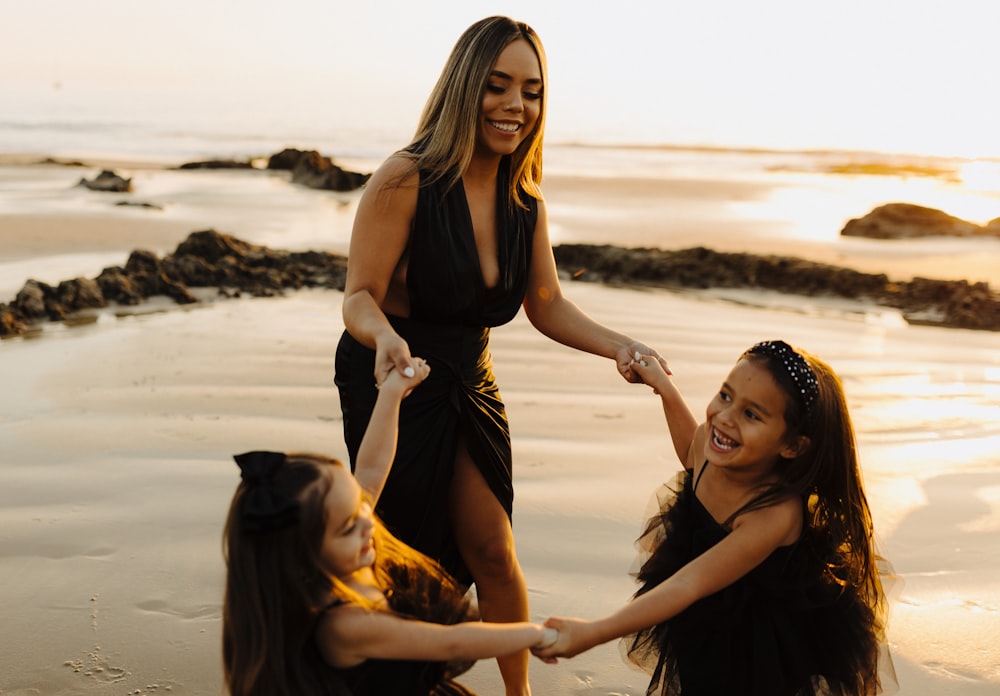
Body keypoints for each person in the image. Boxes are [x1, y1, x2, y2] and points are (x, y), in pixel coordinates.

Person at [334, 15, 666, 696]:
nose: (516, 106)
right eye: (498, 86)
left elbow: (545, 304)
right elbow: (358, 297)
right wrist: (387, 339)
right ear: (465, 88)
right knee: (399, 551)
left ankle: (518, 694)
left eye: (532, 92)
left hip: (470, 379)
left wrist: (621, 346)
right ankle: (397, 682)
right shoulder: (406, 180)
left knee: (493, 548)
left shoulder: (525, 197)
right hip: (395, 373)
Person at [533, 340, 896, 695]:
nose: (725, 417)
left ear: (792, 446)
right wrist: (664, 386)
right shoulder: (712, 439)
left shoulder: (773, 513)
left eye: (751, 414)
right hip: (701, 613)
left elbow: (687, 583)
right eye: (725, 395)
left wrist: (595, 631)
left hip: (757, 637)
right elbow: (692, 454)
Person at [222, 359, 559, 696]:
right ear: (302, 555)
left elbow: (371, 467)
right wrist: (536, 635)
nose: (368, 523)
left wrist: (393, 393)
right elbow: (451, 644)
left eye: (359, 508)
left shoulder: (349, 536)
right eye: (348, 528)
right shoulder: (344, 624)